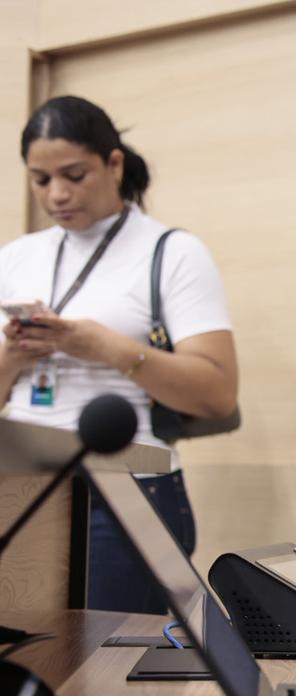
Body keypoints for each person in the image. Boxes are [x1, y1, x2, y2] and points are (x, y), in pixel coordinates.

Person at [0, 95, 238, 615]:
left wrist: (104, 347)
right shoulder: (16, 257)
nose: (57, 194)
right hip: (17, 484)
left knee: (105, 657)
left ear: (114, 163)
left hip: (127, 491)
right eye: (40, 180)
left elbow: (217, 394)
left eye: (74, 175)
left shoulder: (171, 252)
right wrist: (15, 356)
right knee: (20, 651)